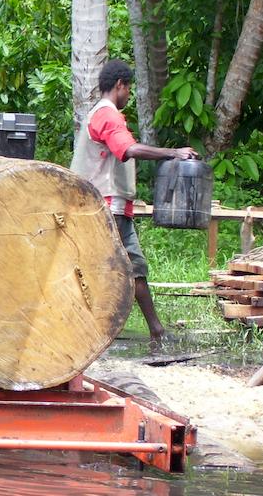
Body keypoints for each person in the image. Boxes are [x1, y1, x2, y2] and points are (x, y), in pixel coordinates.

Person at [70, 59, 198, 346]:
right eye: (128, 89)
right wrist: (172, 153)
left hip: (105, 205)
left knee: (132, 267)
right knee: (121, 267)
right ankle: (138, 333)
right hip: (104, 206)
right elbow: (127, 149)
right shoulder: (109, 116)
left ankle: (156, 332)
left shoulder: (99, 114)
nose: (128, 95)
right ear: (120, 85)